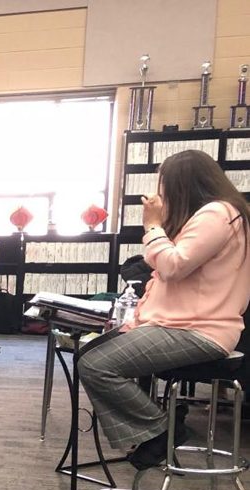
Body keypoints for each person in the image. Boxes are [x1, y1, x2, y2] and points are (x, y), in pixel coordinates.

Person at [79, 149, 250, 470]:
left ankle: (161, 431)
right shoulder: (221, 213)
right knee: (91, 356)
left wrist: (153, 226)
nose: (161, 193)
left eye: (165, 185)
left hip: (198, 330)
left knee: (96, 364)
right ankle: (156, 430)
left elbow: (173, 265)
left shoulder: (217, 214)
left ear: (182, 185)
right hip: (185, 325)